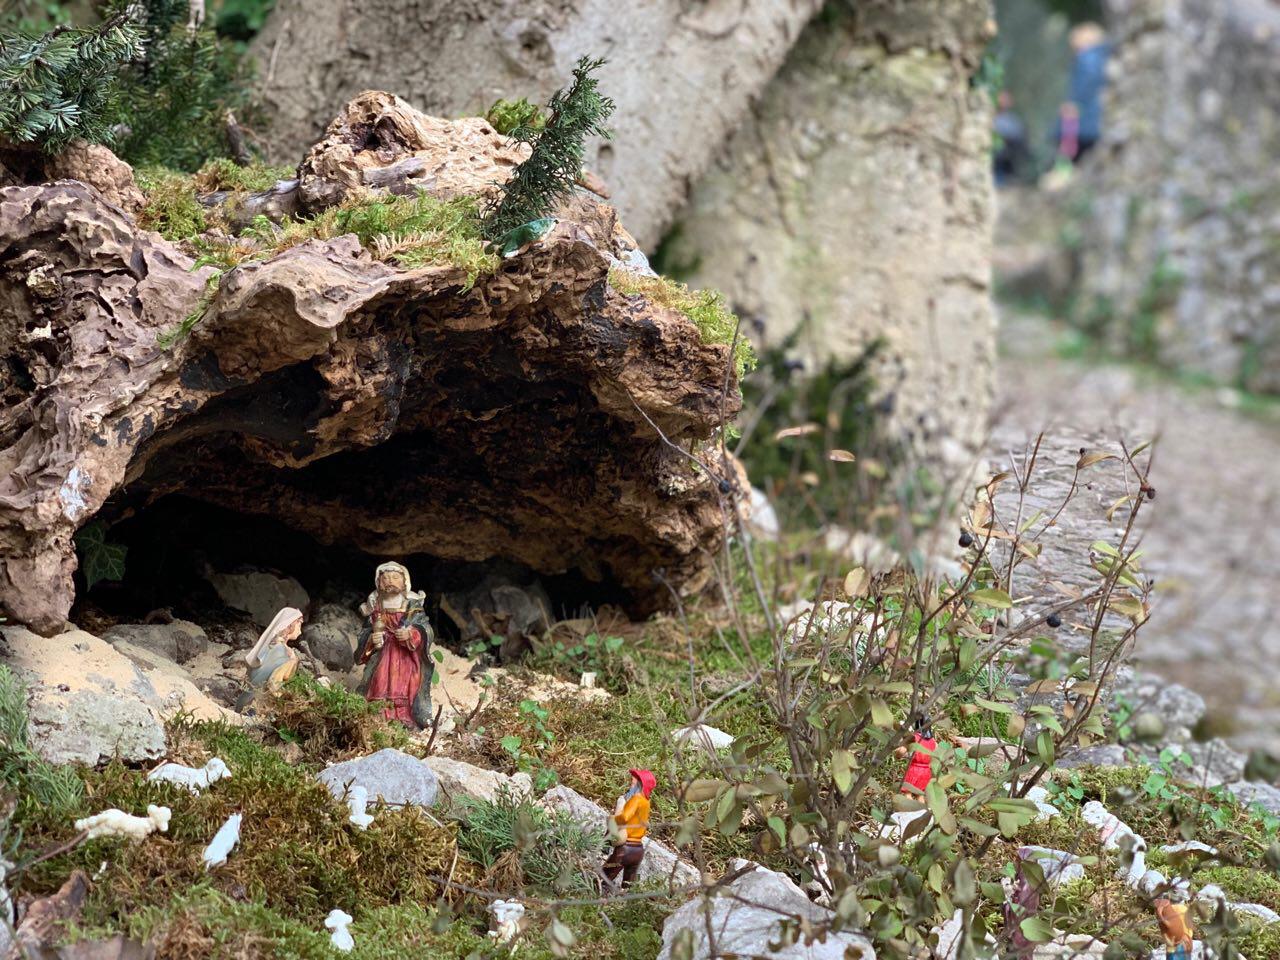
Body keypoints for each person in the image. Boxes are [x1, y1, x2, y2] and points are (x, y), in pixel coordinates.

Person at [355, 561, 434, 729]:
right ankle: (379, 716)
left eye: (395, 577)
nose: (390, 581)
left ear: (404, 582)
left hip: (405, 656)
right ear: (378, 583)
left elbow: (425, 629)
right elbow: (365, 632)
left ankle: (403, 717)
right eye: (386, 578)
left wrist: (411, 634)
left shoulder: (412, 607)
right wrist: (371, 639)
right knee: (379, 682)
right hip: (382, 655)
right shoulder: (375, 607)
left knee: (403, 685)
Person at [1058, 22, 1110, 163]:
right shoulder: (1103, 56)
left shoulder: (1086, 58)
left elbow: (1083, 86)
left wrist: (1072, 103)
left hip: (1083, 118)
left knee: (1068, 153)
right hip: (1098, 117)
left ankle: (1062, 170)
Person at [236, 606, 304, 712]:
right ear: (290, 625)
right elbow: (274, 683)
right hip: (261, 702)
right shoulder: (281, 651)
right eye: (299, 625)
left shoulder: (275, 646)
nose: (300, 631)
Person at [602, 769, 655, 889]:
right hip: (638, 849)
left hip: (625, 848)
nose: (632, 783)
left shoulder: (636, 799)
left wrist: (613, 820)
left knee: (604, 877)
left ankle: (596, 896)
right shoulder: (647, 802)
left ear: (640, 784)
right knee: (628, 885)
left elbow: (625, 817)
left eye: (636, 780)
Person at [896, 715, 937, 795]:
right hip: (926, 771)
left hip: (914, 769)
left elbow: (901, 751)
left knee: (908, 793)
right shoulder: (933, 741)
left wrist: (898, 755)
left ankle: (908, 803)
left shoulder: (914, 738)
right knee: (920, 795)